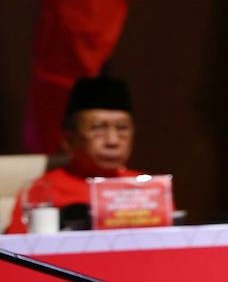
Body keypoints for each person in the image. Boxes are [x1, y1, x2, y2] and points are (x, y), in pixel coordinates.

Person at [6, 77, 142, 233]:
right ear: (68, 140)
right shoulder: (43, 191)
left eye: (122, 128)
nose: (113, 141)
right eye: (98, 128)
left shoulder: (147, 188)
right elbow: (16, 252)